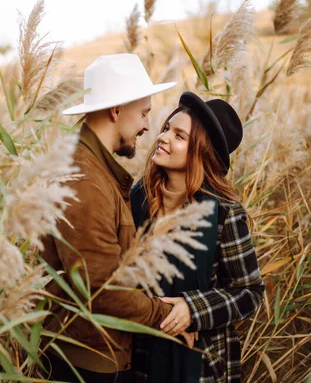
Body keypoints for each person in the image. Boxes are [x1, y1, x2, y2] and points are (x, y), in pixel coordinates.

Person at [40, 53, 178, 383]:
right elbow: (100, 288)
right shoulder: (87, 181)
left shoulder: (95, 170)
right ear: (116, 110)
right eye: (144, 113)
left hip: (93, 353)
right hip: (86, 363)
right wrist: (167, 315)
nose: (147, 125)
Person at [130, 91, 265, 383]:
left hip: (202, 362)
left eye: (179, 136)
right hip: (143, 353)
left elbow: (250, 291)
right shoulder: (138, 198)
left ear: (201, 153)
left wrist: (192, 310)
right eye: (167, 128)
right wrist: (160, 311)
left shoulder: (224, 213)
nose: (163, 137)